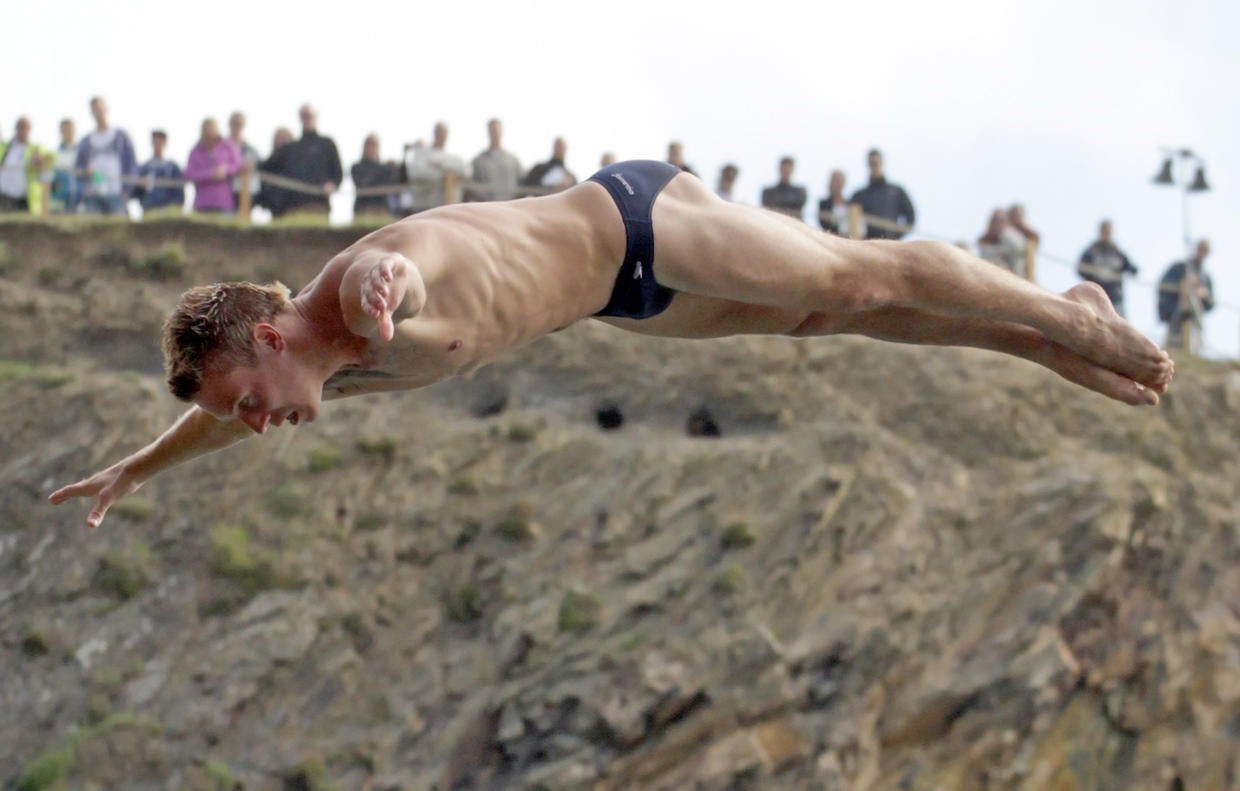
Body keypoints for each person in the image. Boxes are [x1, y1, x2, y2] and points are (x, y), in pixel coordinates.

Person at [49, 159, 1173, 529]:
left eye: (249, 394)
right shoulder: (343, 370)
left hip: (635, 220)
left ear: (267, 328)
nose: (258, 421)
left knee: (851, 271)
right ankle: (1045, 335)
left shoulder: (354, 295)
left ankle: (1065, 310)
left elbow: (407, 263)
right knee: (830, 320)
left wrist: (392, 282)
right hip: (618, 301)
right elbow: (209, 421)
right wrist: (136, 468)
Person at [262, 104, 342, 215]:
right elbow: (265, 167)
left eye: (310, 115)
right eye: (304, 116)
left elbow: (338, 174)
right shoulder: (291, 148)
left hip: (319, 206)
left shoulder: (327, 144)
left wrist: (332, 184)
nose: (307, 119)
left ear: (316, 117)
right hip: (293, 208)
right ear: (300, 118)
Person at [76, 96, 138, 216]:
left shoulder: (121, 137)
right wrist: (85, 171)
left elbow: (131, 165)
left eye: (100, 109)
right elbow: (78, 168)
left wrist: (127, 191)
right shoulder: (85, 141)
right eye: (94, 110)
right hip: (92, 194)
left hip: (116, 193)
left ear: (106, 109)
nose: (98, 113)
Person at [1157, 239, 1215, 352]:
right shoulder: (1180, 268)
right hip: (1177, 316)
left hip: (1194, 319)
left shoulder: (1206, 277)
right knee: (1172, 347)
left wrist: (1203, 294)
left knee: (1194, 347)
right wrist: (1182, 285)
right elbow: (1164, 285)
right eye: (1201, 248)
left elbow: (1210, 303)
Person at [401, 121, 469, 213]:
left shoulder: (453, 157)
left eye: (443, 132)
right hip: (424, 209)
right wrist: (441, 175)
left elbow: (467, 171)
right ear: (434, 133)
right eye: (438, 132)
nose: (441, 135)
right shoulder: (422, 154)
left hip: (449, 209)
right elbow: (415, 172)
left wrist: (443, 167)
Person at [849, 148, 915, 240]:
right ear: (868, 164)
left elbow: (910, 216)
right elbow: (851, 219)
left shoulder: (897, 192)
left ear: (882, 162)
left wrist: (897, 235)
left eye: (876, 162)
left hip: (891, 244)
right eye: (872, 163)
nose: (875, 165)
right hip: (867, 245)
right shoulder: (859, 196)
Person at [1077, 220, 1137, 316]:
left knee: (1119, 326)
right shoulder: (1092, 251)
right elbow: (1081, 270)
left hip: (1115, 298)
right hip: (1095, 298)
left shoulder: (1117, 252)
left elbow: (1131, 268)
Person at [184, 118, 242, 213]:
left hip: (224, 203)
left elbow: (238, 165)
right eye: (207, 128)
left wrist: (225, 170)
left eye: (212, 128)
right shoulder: (195, 151)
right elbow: (189, 174)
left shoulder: (228, 146)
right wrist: (211, 174)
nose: (210, 131)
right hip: (202, 204)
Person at [0, 117, 52, 215]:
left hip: (26, 199)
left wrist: (40, 161)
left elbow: (50, 159)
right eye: (20, 127)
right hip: (4, 197)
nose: (22, 130)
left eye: (25, 127)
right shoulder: (5, 147)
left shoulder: (36, 148)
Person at [468, 118, 522, 201]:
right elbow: (472, 185)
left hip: (508, 206)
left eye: (497, 130)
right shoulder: (478, 161)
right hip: (487, 207)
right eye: (492, 131)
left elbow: (520, 183)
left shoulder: (513, 161)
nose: (495, 134)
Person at [133, 129, 186, 213]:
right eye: (155, 140)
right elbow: (134, 193)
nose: (157, 143)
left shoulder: (173, 167)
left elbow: (180, 193)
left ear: (165, 143)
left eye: (160, 140)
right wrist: (140, 186)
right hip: (149, 210)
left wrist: (176, 208)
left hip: (168, 212)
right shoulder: (144, 168)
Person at [351, 133, 400, 219]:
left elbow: (393, 183)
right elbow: (363, 184)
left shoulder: (386, 168)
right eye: (369, 145)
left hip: (382, 209)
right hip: (363, 209)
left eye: (374, 145)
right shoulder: (357, 167)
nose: (371, 148)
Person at [227, 111, 261, 213]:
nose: (237, 126)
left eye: (239, 124)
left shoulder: (251, 150)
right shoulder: (221, 148)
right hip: (225, 194)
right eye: (234, 123)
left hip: (246, 193)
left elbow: (259, 166)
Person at [976, 208, 1026, 276]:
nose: (999, 224)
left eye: (1002, 221)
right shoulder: (986, 240)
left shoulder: (1011, 237)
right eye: (997, 221)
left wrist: (1004, 235)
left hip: (1014, 275)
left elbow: (1019, 248)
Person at [50, 118, 83, 214]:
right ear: (61, 131)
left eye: (70, 129)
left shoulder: (82, 152)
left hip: (79, 198)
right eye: (65, 129)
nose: (68, 132)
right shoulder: (54, 154)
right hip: (59, 198)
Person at [760, 156, 808, 221]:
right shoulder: (768, 192)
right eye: (784, 169)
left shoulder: (799, 191)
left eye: (788, 169)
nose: (786, 172)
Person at [817, 170, 849, 235]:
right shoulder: (824, 204)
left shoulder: (850, 204)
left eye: (839, 181)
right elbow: (824, 222)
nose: (837, 184)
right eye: (835, 181)